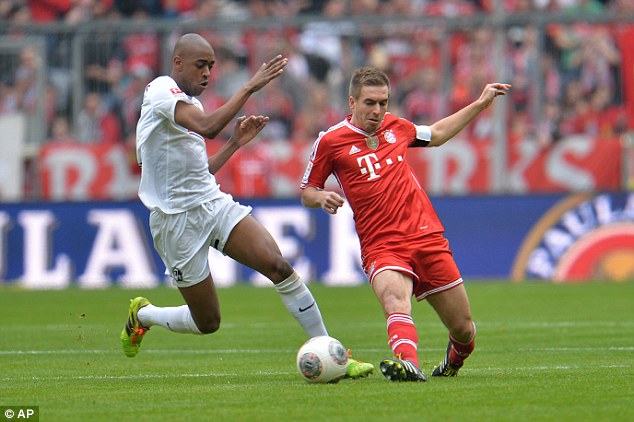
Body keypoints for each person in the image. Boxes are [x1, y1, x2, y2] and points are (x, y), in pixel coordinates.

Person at [122, 33, 373, 379]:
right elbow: (209, 128)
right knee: (208, 321)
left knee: (278, 266)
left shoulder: (189, 104)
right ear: (177, 62)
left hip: (211, 203)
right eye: (200, 65)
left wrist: (235, 143)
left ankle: (335, 354)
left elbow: (200, 171)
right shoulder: (161, 90)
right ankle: (144, 315)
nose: (207, 73)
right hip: (175, 221)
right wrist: (251, 87)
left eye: (211, 66)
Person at [300, 66, 511, 382]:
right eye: (370, 103)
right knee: (395, 300)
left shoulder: (397, 127)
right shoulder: (330, 141)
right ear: (352, 102)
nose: (377, 110)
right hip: (381, 243)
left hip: (426, 236)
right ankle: (409, 363)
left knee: (463, 329)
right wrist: (321, 198)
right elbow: (307, 190)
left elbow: (436, 135)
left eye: (383, 102)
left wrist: (480, 104)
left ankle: (455, 359)